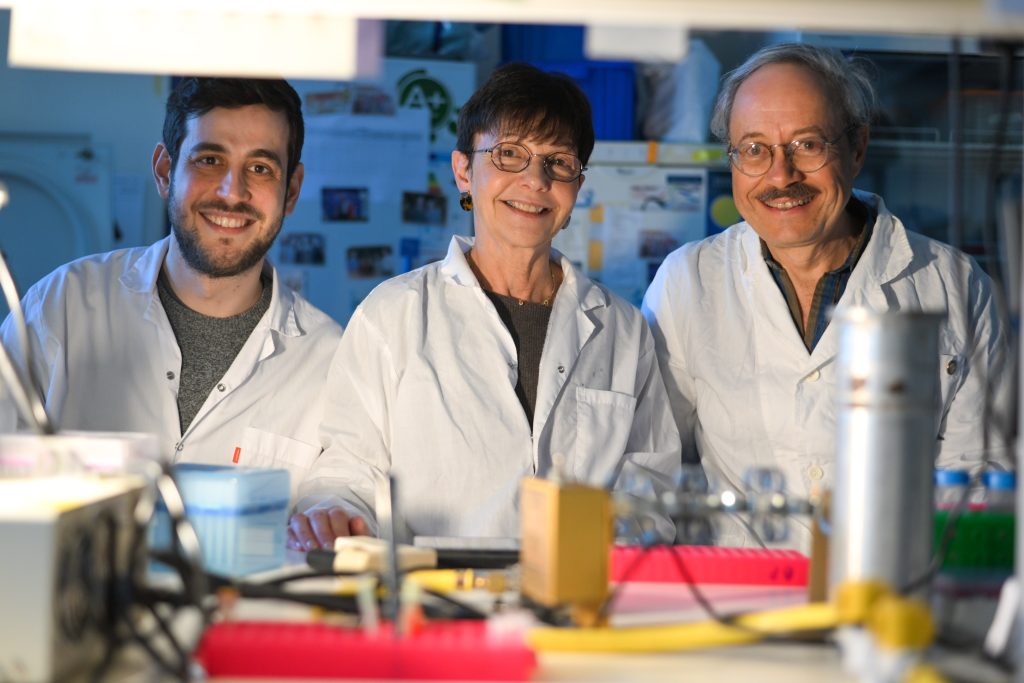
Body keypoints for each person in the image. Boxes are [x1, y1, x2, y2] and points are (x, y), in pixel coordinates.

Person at [290, 63, 681, 550]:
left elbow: (650, 486)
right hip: (436, 604)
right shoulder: (392, 315)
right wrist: (336, 514)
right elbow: (349, 470)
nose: (535, 180)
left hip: (578, 608)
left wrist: (610, 542)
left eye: (558, 162)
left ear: (576, 186)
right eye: (509, 154)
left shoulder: (621, 329)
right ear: (463, 172)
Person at [642, 44, 1009, 550]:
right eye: (753, 149)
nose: (780, 175)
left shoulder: (956, 285)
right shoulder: (687, 281)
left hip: (893, 597)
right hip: (738, 602)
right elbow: (654, 466)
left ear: (857, 147)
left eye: (807, 145)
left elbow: (979, 478)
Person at [0, 78, 355, 532]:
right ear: (165, 171)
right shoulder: (64, 305)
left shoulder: (330, 358)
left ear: (291, 190)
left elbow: (335, 513)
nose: (233, 191)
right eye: (210, 160)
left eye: (261, 168)